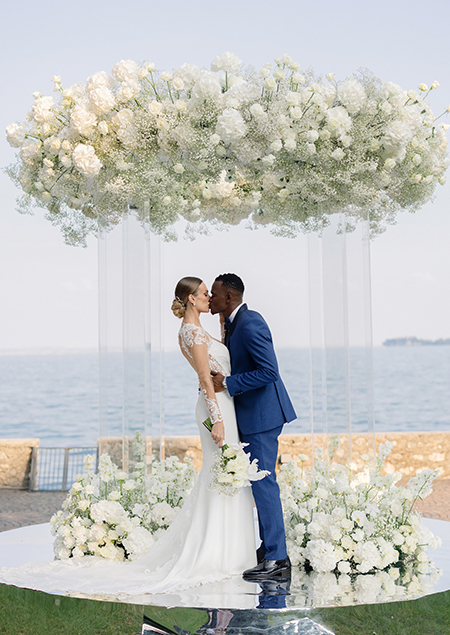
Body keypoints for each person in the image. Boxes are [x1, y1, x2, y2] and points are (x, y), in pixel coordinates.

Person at [0, 276, 256, 597]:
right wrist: (217, 421)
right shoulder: (190, 332)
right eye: (205, 293)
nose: (209, 297)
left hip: (222, 405)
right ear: (191, 299)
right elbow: (205, 378)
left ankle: (229, 549)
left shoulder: (201, 329)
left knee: (223, 475)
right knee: (221, 475)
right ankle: (218, 553)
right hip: (215, 409)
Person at [209, 273, 296, 581]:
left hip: (262, 416)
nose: (210, 299)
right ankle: (268, 548)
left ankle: (278, 559)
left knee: (264, 483)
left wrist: (229, 383)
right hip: (251, 415)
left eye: (215, 294)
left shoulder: (250, 322)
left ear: (229, 298)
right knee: (258, 483)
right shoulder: (233, 323)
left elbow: (269, 371)